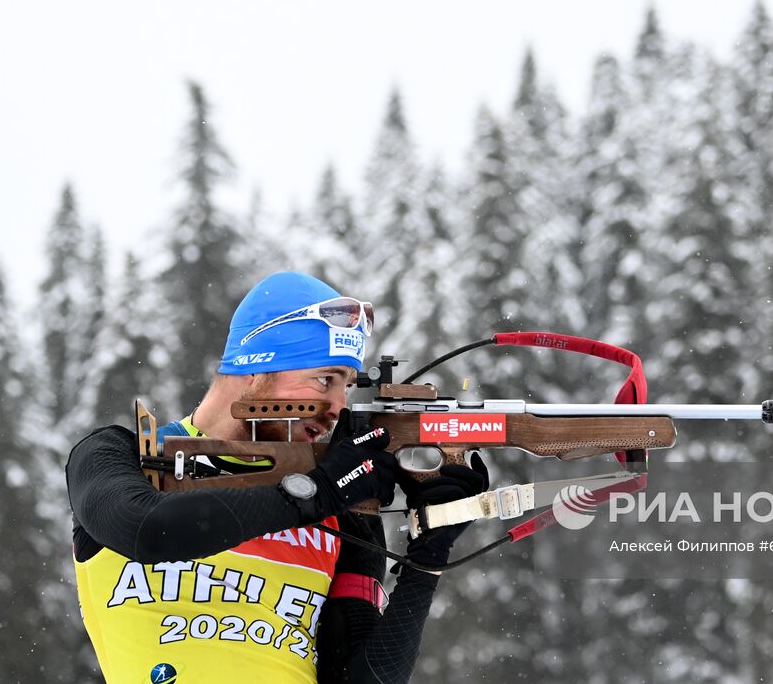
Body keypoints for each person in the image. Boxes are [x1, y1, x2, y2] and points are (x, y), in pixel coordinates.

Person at [66, 271, 488, 684]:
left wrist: (426, 557)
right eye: (324, 379)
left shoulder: (344, 506)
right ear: (254, 368)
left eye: (346, 386)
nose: (339, 407)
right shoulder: (120, 456)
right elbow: (149, 530)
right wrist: (317, 494)